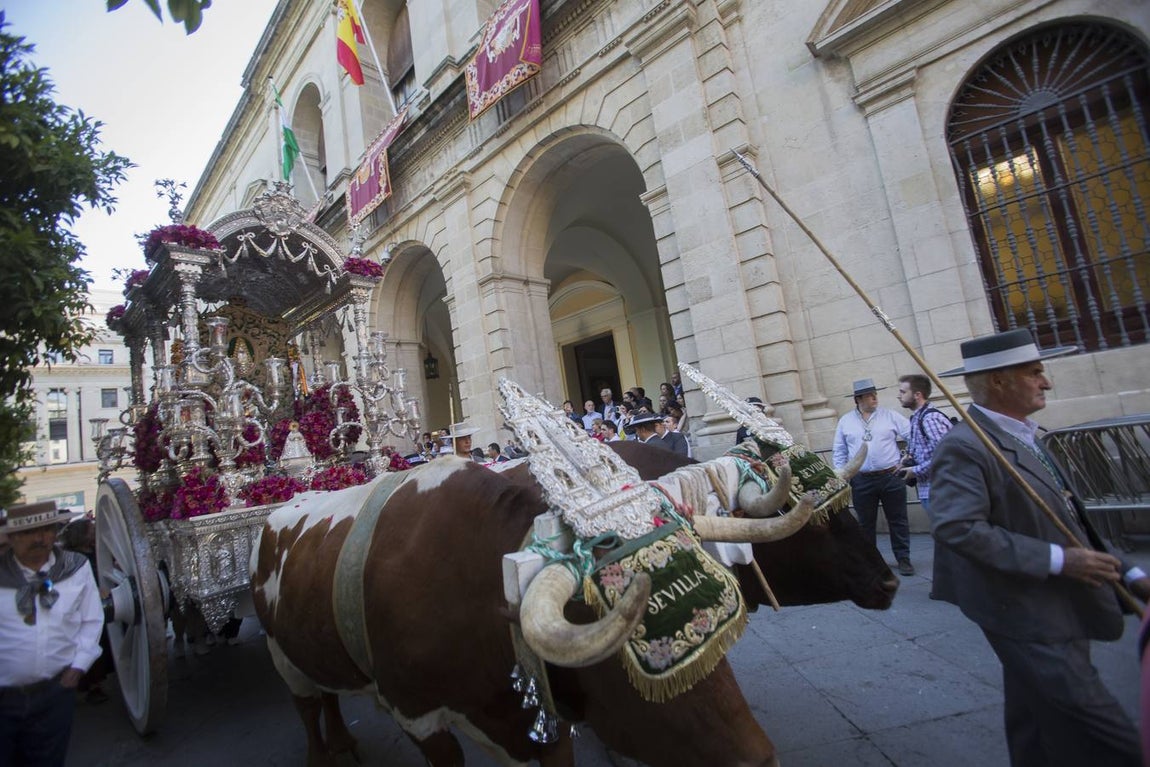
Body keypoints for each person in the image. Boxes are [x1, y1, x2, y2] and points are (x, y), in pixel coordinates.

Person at [929, 328, 1149, 767]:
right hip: (1023, 610)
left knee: (1033, 719)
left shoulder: (1028, 434)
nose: (1046, 381)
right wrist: (1061, 561)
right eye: (1033, 373)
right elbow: (957, 527)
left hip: (1053, 602)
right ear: (998, 381)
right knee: (1110, 737)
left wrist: (1128, 571)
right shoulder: (965, 446)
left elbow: (1071, 520)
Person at [0, 501, 103, 767]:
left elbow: (92, 619)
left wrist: (79, 666)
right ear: (11, 538)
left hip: (55, 694)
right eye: (27, 533)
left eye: (46, 530)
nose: (39, 538)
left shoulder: (76, 567)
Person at [832, 378, 914, 576]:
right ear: (858, 399)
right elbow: (840, 450)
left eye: (875, 394)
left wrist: (907, 458)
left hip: (891, 475)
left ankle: (903, 558)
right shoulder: (846, 421)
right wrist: (841, 474)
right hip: (861, 479)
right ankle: (870, 561)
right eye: (869, 395)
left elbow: (912, 436)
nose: (875, 398)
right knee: (865, 524)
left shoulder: (890, 415)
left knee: (898, 520)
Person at [896, 373, 953, 512]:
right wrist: (907, 459)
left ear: (917, 395)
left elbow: (945, 456)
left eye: (903, 392)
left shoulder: (930, 419)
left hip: (941, 490)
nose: (899, 396)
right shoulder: (917, 417)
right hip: (930, 490)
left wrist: (914, 470)